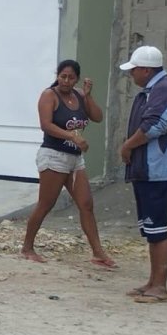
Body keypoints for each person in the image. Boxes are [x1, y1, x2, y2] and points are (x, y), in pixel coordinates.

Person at [21, 60, 115, 268]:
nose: (66, 81)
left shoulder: (80, 95)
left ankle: (98, 253)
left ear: (77, 79)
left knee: (86, 204)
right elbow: (46, 125)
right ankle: (27, 247)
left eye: (71, 77)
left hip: (75, 158)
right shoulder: (49, 95)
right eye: (62, 76)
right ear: (57, 75)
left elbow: (97, 117)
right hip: (54, 156)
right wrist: (72, 137)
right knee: (46, 204)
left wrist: (88, 96)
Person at [119, 45, 167, 304]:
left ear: (146, 69)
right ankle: (152, 282)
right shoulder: (152, 90)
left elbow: (155, 126)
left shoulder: (164, 89)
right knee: (151, 229)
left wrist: (127, 145)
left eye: (134, 70)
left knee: (158, 229)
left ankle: (160, 287)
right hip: (148, 171)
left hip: (160, 171)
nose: (131, 75)